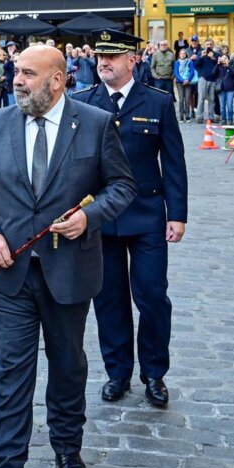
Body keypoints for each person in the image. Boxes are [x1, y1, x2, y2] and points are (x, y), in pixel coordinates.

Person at [0, 44, 136, 468]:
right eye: (15, 72)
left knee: (67, 367)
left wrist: (91, 217)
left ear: (57, 80)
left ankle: (67, 451)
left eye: (26, 73)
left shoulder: (96, 124)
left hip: (69, 271)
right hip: (8, 273)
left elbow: (122, 186)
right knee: (11, 372)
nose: (16, 80)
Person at [77, 31, 187, 409]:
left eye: (113, 56)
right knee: (109, 299)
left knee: (153, 296)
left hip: (147, 216)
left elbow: (173, 162)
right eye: (100, 56)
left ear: (132, 61)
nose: (103, 62)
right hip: (101, 218)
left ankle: (154, 373)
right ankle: (118, 372)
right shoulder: (83, 103)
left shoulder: (156, 102)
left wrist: (178, 215)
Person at [194, 41, 218, 123]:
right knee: (201, 99)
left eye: (211, 44)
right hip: (203, 78)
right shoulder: (201, 53)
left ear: (213, 45)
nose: (209, 46)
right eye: (207, 44)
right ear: (204, 45)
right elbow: (196, 65)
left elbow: (218, 65)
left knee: (211, 99)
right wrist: (201, 56)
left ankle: (211, 117)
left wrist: (213, 58)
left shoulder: (216, 54)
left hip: (212, 79)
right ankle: (199, 117)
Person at [173, 49, 196, 121]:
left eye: (184, 53)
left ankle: (187, 115)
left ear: (186, 54)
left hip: (188, 82)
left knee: (187, 99)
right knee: (181, 99)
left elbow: (192, 72)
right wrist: (182, 80)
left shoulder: (190, 62)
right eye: (181, 54)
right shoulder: (177, 62)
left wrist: (188, 80)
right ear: (179, 55)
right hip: (180, 82)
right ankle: (181, 116)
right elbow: (176, 73)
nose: (182, 55)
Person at [216, 54, 234, 124]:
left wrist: (228, 66)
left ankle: (230, 119)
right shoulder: (219, 66)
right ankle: (223, 119)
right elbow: (213, 72)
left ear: (228, 60)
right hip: (221, 89)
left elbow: (233, 73)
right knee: (222, 106)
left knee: (230, 106)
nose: (224, 60)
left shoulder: (231, 66)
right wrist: (218, 64)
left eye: (226, 58)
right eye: (223, 58)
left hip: (230, 89)